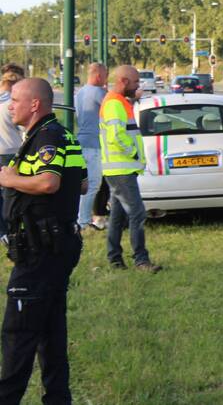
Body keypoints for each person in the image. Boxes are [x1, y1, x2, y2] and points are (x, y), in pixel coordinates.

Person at [0, 78, 85, 404]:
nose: (11, 105)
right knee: (50, 332)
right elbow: (79, 183)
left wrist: (11, 178)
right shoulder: (62, 136)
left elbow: (49, 183)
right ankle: (58, 398)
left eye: (16, 100)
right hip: (54, 247)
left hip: (39, 251)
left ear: (35, 104)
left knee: (18, 335)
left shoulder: (47, 138)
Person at [99, 65, 160, 273]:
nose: (138, 86)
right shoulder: (115, 104)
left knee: (117, 216)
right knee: (137, 213)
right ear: (123, 82)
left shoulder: (118, 102)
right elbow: (116, 136)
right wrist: (134, 153)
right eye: (135, 82)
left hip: (119, 169)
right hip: (121, 170)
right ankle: (141, 260)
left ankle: (115, 259)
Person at [73, 63, 107, 231]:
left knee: (84, 184)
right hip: (94, 144)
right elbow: (113, 107)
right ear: (99, 76)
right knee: (93, 184)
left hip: (82, 142)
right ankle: (83, 221)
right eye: (106, 76)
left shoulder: (80, 93)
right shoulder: (99, 92)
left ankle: (80, 218)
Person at [0, 65, 26, 239]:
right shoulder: (12, 104)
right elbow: (25, 129)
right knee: (12, 194)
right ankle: (12, 230)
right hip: (12, 151)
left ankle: (2, 231)